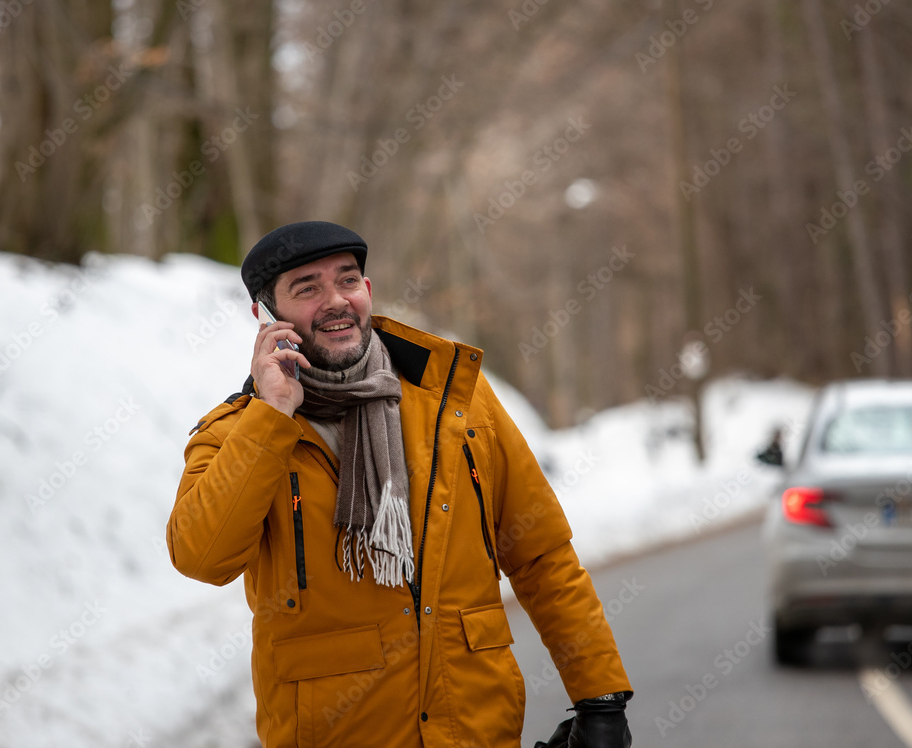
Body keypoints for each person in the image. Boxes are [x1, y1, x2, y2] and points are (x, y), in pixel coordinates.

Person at [167, 221, 633, 747]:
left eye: (347, 280)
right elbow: (202, 557)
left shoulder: (455, 402)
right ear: (265, 316)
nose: (336, 301)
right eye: (308, 288)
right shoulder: (237, 432)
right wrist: (272, 415)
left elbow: (541, 554)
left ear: (367, 290)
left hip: (476, 730)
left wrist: (600, 696)